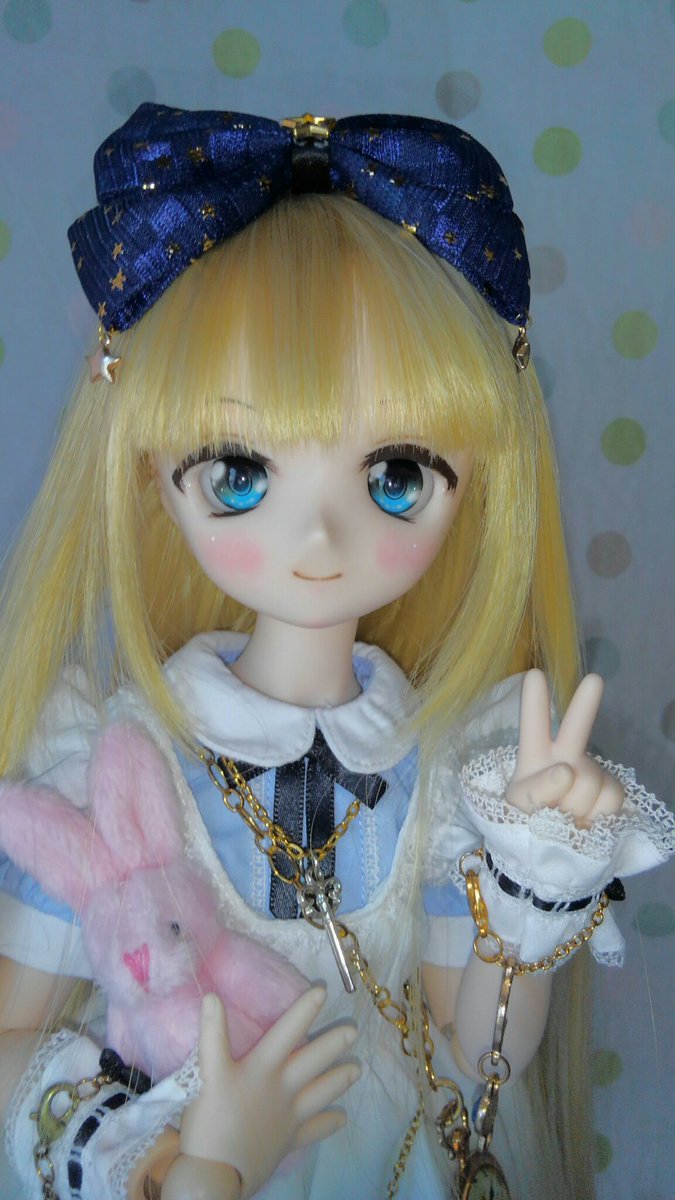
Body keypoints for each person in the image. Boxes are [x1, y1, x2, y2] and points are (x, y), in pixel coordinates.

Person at [0, 107, 671, 1200]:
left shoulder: (451, 766)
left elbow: (478, 1059)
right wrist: (175, 1160)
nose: (319, 539)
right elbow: (10, 1038)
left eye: (396, 476)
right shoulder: (112, 758)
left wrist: (533, 871)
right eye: (240, 474)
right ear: (149, 469)